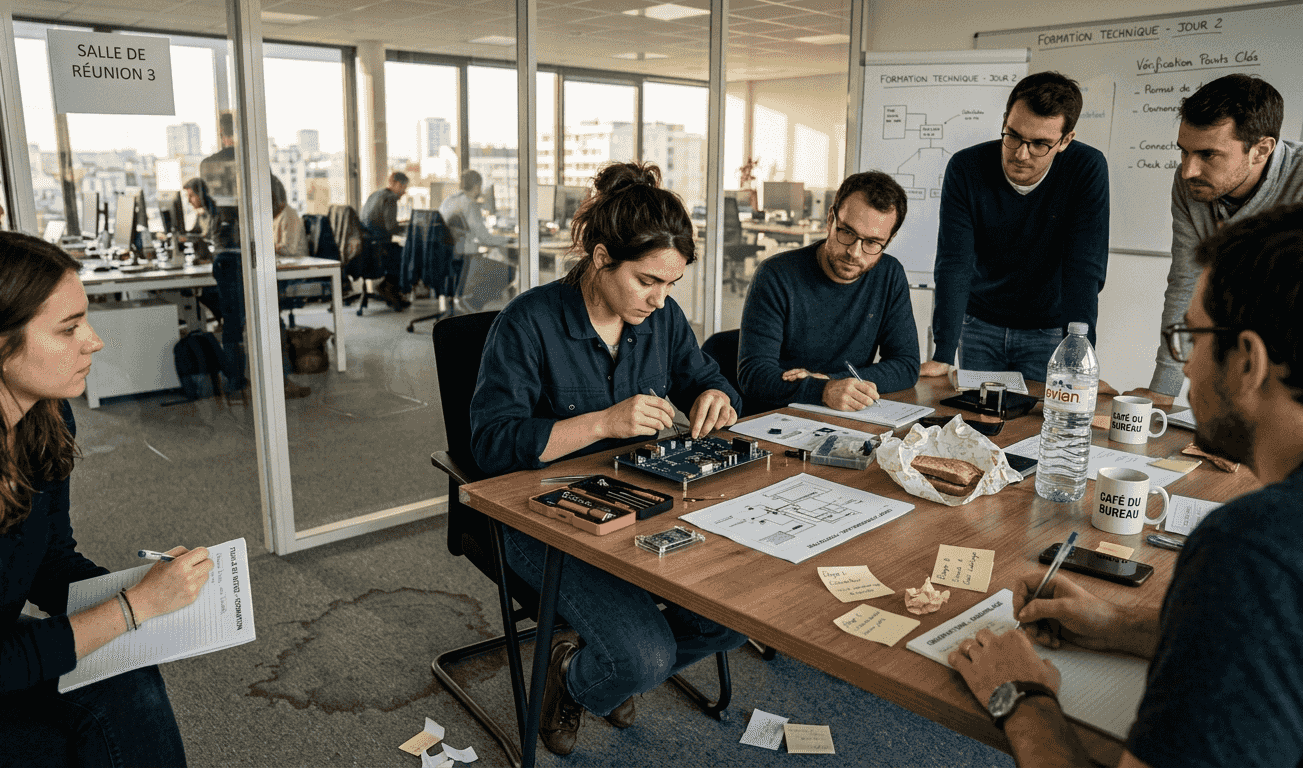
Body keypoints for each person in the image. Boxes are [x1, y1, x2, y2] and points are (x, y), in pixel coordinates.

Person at [946, 201, 1303, 768]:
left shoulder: (1252, 550)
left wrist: (1021, 695)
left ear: (1248, 361)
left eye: (1191, 339)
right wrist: (1128, 626)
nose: (1183, 368)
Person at [470, 161, 745, 756]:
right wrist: (602, 422)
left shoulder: (662, 319)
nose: (661, 299)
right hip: (543, 520)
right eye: (648, 280)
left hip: (641, 500)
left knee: (736, 613)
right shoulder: (530, 321)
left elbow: (707, 378)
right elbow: (492, 447)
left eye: (671, 284)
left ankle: (601, 662)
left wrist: (716, 395)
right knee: (647, 657)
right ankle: (574, 676)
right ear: (600, 257)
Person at [0, 226, 214, 765]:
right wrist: (134, 608)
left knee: (126, 672)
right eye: (69, 328)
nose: (94, 341)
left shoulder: (45, 417)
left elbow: (48, 562)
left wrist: (147, 592)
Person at [920, 71, 1110, 382]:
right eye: (1013, 136)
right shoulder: (966, 168)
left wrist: (1078, 356)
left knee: (1040, 423)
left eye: (1040, 144)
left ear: (1065, 141)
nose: (1021, 154)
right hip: (979, 324)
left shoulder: (1085, 168)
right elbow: (954, 263)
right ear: (1006, 119)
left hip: (1049, 330)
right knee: (975, 423)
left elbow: (1084, 269)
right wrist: (943, 352)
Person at [1130, 74, 1303, 407]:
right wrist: (1163, 391)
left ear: (1261, 149)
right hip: (1241, 350)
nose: (1188, 171)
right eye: (1184, 152)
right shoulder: (1192, 186)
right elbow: (1185, 282)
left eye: (1208, 155)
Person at [738, 170, 919, 414]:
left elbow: (906, 366)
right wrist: (823, 390)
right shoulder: (775, 275)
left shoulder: (889, 274)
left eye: (873, 243)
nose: (855, 252)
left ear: (889, 239)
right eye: (847, 232)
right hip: (779, 415)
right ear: (830, 219)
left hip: (845, 414)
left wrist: (831, 381)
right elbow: (754, 376)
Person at [357, 170, 411, 310]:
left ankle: (389, 289)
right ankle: (388, 288)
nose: (404, 192)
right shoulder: (391, 198)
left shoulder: (375, 194)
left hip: (366, 246)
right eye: (404, 188)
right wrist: (408, 227)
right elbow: (391, 227)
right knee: (407, 255)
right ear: (398, 184)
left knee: (399, 250)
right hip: (379, 246)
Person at [439, 169, 512, 261]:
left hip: (447, 256)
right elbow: (485, 238)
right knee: (503, 261)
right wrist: (508, 239)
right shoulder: (470, 204)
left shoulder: (448, 201)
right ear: (477, 187)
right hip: (464, 260)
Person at [270, 174, 308, 260]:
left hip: (296, 263)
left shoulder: (289, 215)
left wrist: (267, 247)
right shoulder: (276, 217)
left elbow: (289, 250)